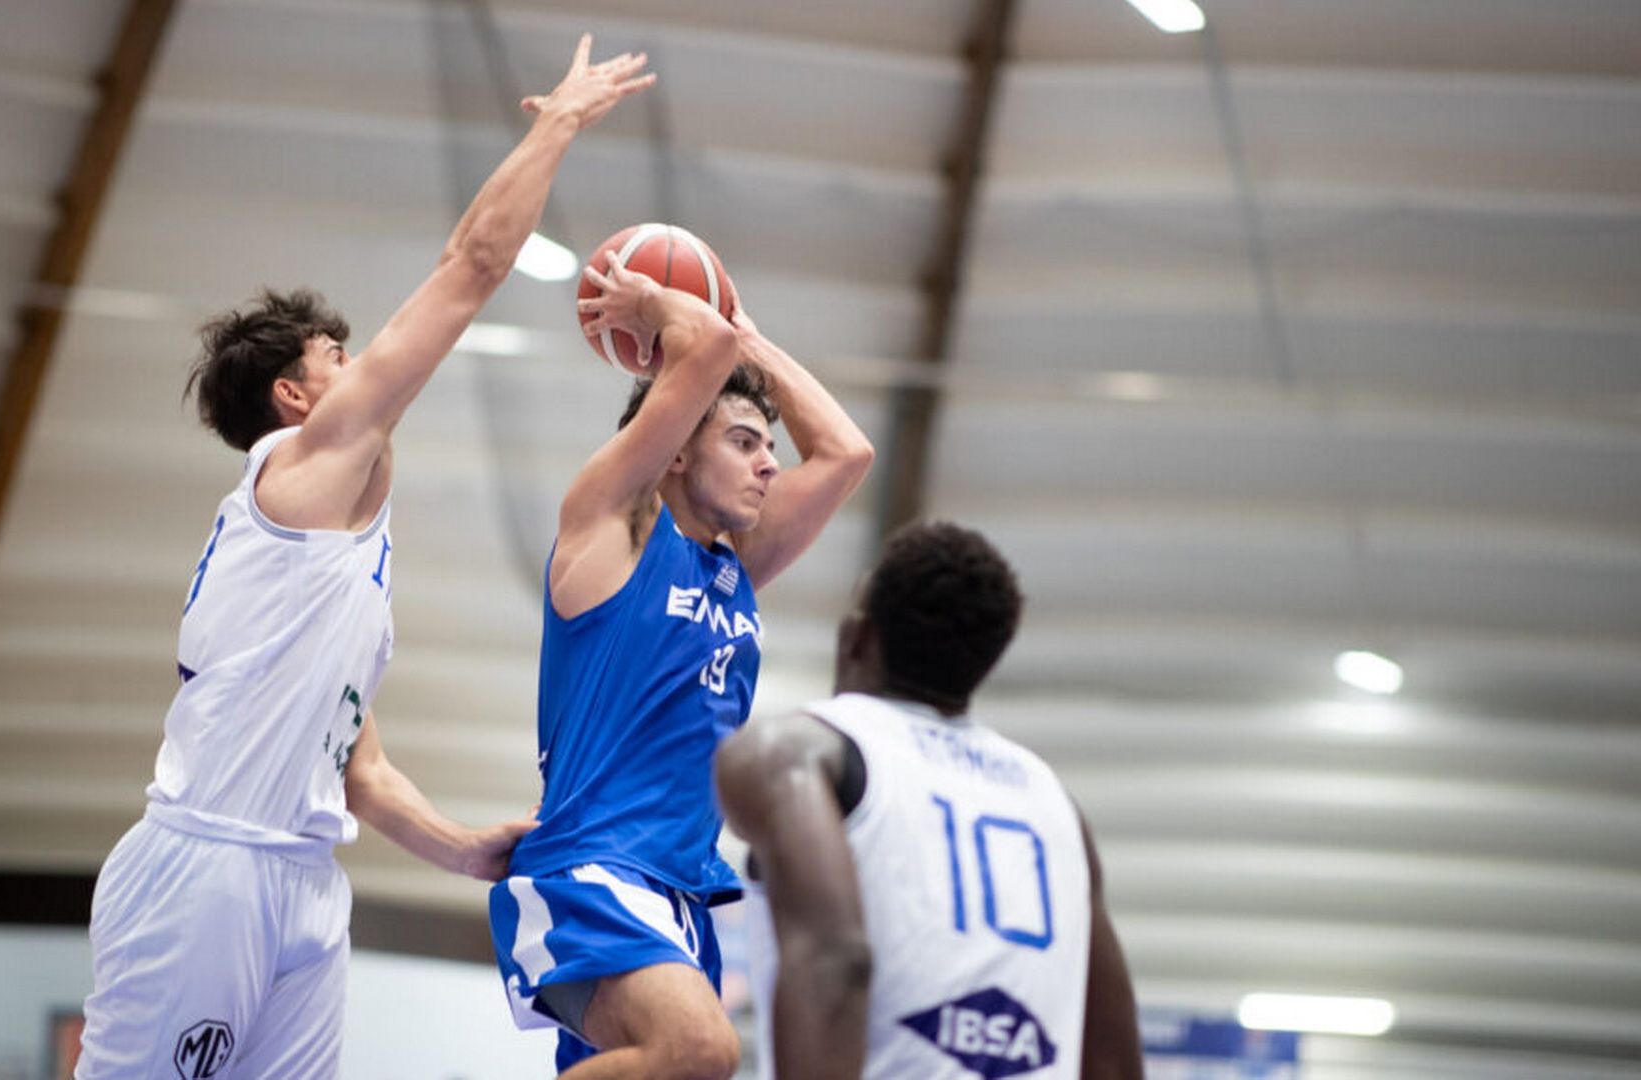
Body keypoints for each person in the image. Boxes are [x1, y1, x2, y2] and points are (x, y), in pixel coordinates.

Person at [74, 34, 656, 1080]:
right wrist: (560, 122)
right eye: (338, 358)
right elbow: (471, 268)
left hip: (302, 877)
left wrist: (461, 847)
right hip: (206, 865)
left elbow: (360, 767)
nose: (367, 369)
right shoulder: (300, 471)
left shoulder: (335, 559)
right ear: (293, 397)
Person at [487, 253, 875, 1078]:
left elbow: (846, 452)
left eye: (769, 446)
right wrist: (656, 299)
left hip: (682, 891)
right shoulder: (613, 527)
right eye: (743, 442)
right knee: (701, 1049)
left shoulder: (735, 565)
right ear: (673, 454)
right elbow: (702, 347)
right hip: (591, 868)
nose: (770, 463)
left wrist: (753, 344)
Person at [715, 522, 1145, 1080]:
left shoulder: (793, 751)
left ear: (857, 637)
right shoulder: (1054, 801)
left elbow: (836, 959)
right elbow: (1112, 1056)